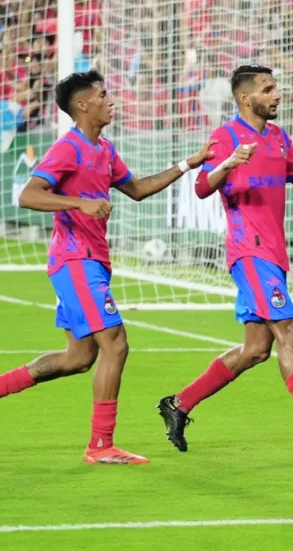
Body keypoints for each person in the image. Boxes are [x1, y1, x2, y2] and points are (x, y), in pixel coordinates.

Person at [157, 66, 293, 458]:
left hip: (273, 255)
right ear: (246, 98)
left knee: (256, 350)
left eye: (276, 87)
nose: (277, 95)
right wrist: (227, 164)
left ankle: (178, 404)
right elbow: (200, 187)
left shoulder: (278, 137)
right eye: (268, 89)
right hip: (248, 251)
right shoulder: (224, 136)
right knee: (290, 333)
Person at [0, 71, 212, 464]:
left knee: (79, 358)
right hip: (74, 259)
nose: (110, 99)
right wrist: (79, 203)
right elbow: (29, 195)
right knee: (115, 343)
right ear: (82, 105)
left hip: (93, 261)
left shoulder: (105, 149)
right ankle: (101, 446)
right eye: (102, 94)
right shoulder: (68, 148)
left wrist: (189, 163)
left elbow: (137, 189)